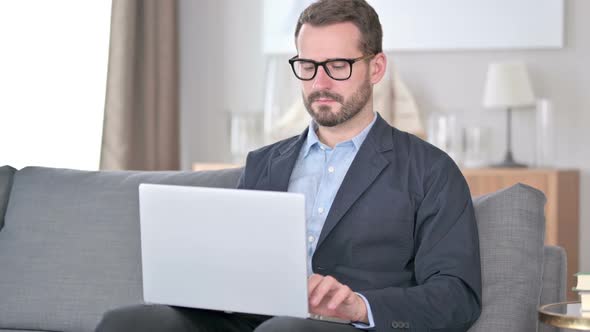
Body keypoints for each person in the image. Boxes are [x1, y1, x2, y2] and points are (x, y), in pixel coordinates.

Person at [95, 0, 481, 331]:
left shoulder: (430, 169)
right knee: (126, 322)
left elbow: (456, 295)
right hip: (250, 320)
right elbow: (236, 264)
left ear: (376, 67)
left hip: (346, 327)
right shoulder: (263, 163)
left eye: (338, 66)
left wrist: (360, 306)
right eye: (308, 65)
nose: (320, 82)